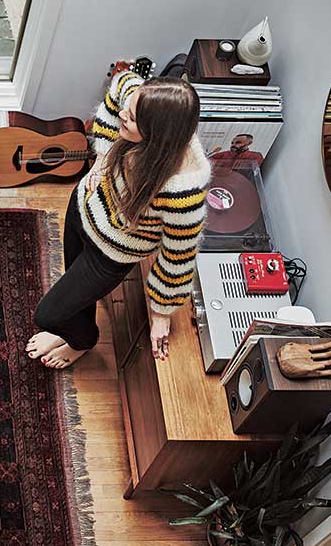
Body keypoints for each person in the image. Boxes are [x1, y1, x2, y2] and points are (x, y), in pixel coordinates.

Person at [25, 64, 211, 370]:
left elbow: (179, 255)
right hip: (82, 210)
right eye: (130, 106)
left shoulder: (182, 190)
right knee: (74, 293)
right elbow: (120, 84)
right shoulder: (139, 100)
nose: (125, 113)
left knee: (47, 316)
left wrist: (162, 312)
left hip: (109, 255)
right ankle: (74, 336)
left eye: (133, 117)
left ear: (157, 134)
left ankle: (82, 341)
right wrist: (103, 154)